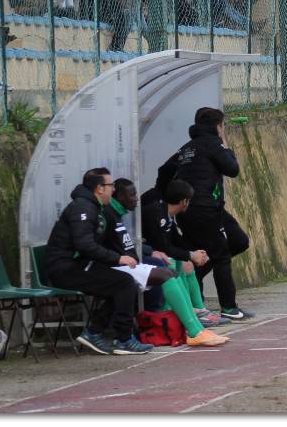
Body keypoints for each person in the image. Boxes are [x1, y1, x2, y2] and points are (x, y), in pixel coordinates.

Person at [105, 180, 229, 346]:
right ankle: (189, 326)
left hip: (132, 261)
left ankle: (196, 323)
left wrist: (191, 254)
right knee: (168, 266)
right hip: (117, 266)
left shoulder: (116, 214)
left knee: (177, 264)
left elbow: (171, 243)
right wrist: (150, 252)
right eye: (132, 195)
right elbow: (159, 246)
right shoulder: (112, 215)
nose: (137, 199)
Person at [158, 107, 253, 321]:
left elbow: (163, 171)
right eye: (223, 126)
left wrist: (168, 196)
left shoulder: (187, 149)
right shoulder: (214, 144)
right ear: (218, 126)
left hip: (194, 210)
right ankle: (229, 308)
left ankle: (195, 276)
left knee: (238, 240)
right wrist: (225, 145)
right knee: (221, 255)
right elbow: (233, 169)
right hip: (205, 208)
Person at [43, 168, 152, 355]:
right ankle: (123, 339)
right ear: (100, 188)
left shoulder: (93, 206)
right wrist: (117, 258)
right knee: (124, 283)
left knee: (120, 281)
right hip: (64, 269)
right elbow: (84, 244)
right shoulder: (83, 208)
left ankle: (94, 332)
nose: (113, 190)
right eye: (111, 186)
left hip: (74, 265)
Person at [140, 180, 229, 327]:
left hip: (159, 254)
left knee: (187, 264)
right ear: (184, 201)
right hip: (147, 255)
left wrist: (195, 253)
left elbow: (177, 240)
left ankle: (199, 310)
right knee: (176, 263)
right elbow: (163, 246)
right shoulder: (155, 213)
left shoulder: (168, 214)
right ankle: (183, 312)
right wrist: (189, 255)